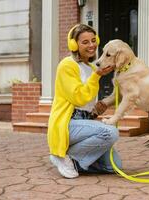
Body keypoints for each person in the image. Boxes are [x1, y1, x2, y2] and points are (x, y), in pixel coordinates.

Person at [47, 24, 122, 178]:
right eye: (85, 42)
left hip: (84, 121)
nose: (91, 45)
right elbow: (79, 98)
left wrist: (96, 111)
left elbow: (87, 103)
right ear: (74, 44)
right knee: (110, 132)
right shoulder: (67, 65)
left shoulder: (92, 68)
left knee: (113, 167)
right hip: (68, 123)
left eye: (93, 40)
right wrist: (97, 76)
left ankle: (75, 161)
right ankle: (62, 157)